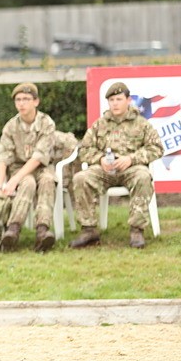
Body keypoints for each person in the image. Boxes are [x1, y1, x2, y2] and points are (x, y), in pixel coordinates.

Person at [71, 81, 165, 249]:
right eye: (112, 100)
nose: (115, 103)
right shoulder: (100, 124)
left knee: (143, 177)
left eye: (119, 99)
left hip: (131, 169)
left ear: (128, 101)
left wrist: (132, 159)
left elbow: (157, 148)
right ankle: (89, 230)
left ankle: (137, 230)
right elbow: (84, 150)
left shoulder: (141, 123)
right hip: (104, 170)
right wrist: (100, 159)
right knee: (80, 178)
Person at [0, 82, 59, 251]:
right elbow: (3, 158)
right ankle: (13, 230)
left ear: (36, 102)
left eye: (26, 99)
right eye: (18, 100)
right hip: (19, 167)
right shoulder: (10, 126)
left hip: (42, 166)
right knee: (28, 183)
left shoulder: (46, 123)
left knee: (47, 180)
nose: (21, 103)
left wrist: (14, 179)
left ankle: (42, 231)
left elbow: (38, 157)